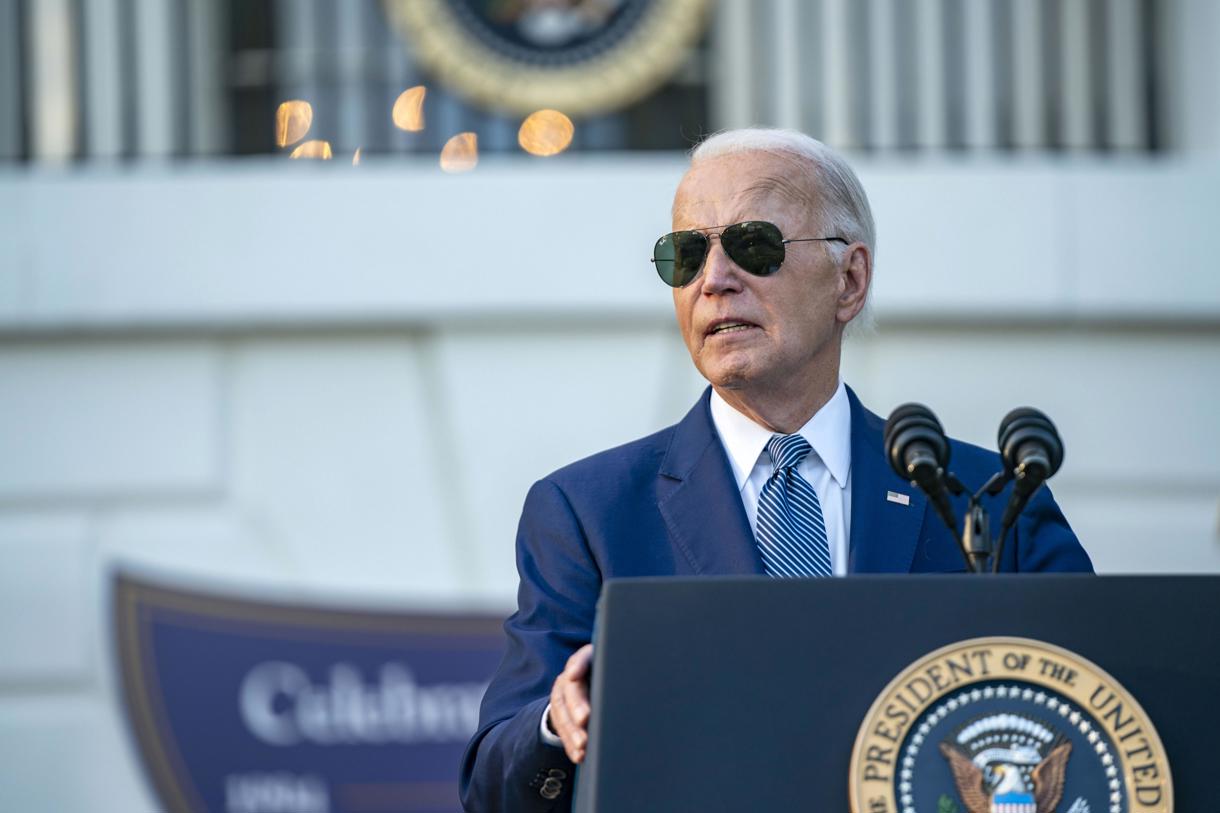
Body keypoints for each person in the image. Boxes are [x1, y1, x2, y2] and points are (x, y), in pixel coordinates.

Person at [458, 128, 1093, 812]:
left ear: (849, 280)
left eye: (754, 245)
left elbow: (1107, 706)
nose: (714, 279)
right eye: (687, 254)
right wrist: (559, 725)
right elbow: (493, 780)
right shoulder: (588, 509)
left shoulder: (987, 498)